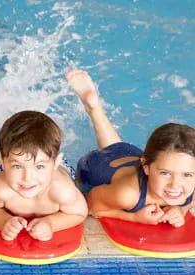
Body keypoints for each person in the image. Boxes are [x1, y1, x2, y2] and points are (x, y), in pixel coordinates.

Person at [68, 69, 195, 226]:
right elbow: (91, 205)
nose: (175, 184)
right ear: (146, 167)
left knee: (116, 147)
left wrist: (181, 210)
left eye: (187, 175)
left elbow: (190, 200)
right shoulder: (127, 195)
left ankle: (94, 108)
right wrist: (134, 217)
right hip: (95, 167)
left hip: (128, 154)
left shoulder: (185, 183)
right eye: (165, 173)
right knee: (109, 152)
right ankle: (93, 108)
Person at [0, 110, 88, 241]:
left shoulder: (62, 191)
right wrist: (3, 221)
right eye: (17, 167)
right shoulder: (1, 189)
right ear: (1, 160)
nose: (27, 178)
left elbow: (79, 213)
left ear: (56, 162)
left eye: (39, 167)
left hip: (58, 169)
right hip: (19, 163)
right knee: (17, 158)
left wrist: (51, 223)